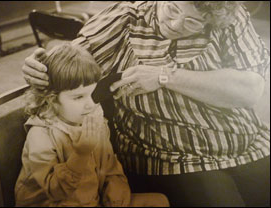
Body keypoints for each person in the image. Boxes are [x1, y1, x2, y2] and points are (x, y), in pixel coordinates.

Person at [22, 1, 270, 207]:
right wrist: (40, 65)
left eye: (192, 22)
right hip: (174, 157)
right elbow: (65, 66)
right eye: (172, 9)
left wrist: (165, 76)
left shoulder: (230, 19)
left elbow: (251, 90)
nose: (174, 24)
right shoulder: (125, 18)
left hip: (247, 144)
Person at [15, 43, 169, 207]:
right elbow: (55, 191)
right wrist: (81, 154)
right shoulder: (41, 135)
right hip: (56, 203)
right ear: (52, 100)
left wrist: (116, 196)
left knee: (159, 201)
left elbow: (110, 168)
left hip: (92, 200)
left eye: (91, 93)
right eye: (78, 97)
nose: (90, 104)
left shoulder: (94, 119)